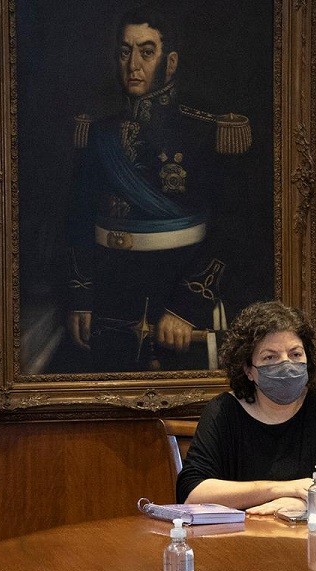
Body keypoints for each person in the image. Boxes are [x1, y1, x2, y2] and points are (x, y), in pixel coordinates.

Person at [65, 4, 252, 371]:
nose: (133, 64)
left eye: (146, 52)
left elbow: (232, 227)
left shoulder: (204, 132)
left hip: (176, 292)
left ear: (171, 62)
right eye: (125, 52)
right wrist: (81, 296)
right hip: (110, 296)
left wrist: (186, 306)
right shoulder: (99, 132)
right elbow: (79, 219)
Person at [176, 301, 316, 514]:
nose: (286, 365)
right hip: (247, 532)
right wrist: (284, 489)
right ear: (248, 370)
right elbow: (191, 493)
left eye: (295, 354)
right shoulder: (223, 411)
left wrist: (308, 501)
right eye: (270, 357)